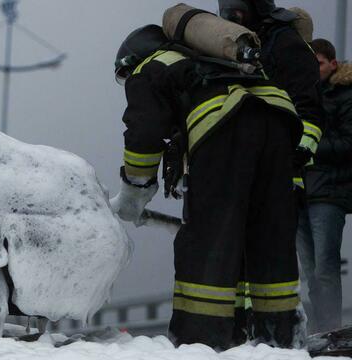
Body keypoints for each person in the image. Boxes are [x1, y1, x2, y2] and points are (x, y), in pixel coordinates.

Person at [110, 24, 304, 350]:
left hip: (228, 124)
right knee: (270, 238)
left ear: (133, 59)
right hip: (279, 120)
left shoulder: (150, 68)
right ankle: (280, 338)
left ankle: (200, 340)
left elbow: (144, 133)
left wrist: (135, 191)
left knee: (208, 237)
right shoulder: (208, 62)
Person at [218, 0, 325, 188]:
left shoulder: (285, 43)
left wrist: (293, 157)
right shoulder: (228, 44)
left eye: (236, 9)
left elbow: (308, 107)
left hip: (282, 178)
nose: (230, 14)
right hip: (237, 170)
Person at [296, 38, 352, 334]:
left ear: (333, 63)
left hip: (329, 192)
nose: (313, 69)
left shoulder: (345, 95)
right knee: (310, 272)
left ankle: (330, 329)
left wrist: (308, 146)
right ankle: (319, 331)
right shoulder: (304, 95)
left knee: (324, 268)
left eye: (318, 63)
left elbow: (349, 143)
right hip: (301, 191)